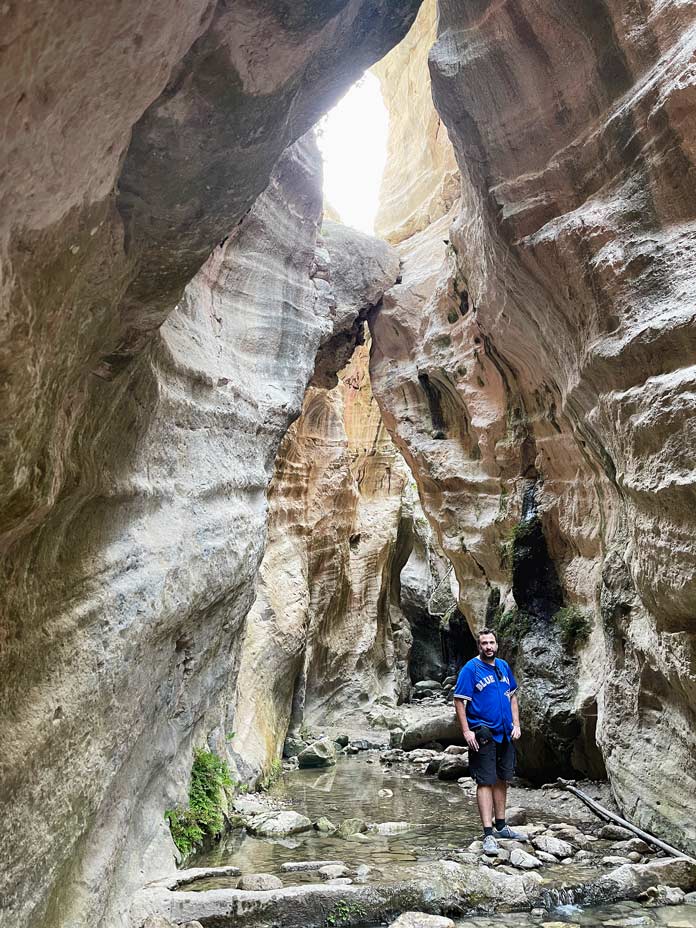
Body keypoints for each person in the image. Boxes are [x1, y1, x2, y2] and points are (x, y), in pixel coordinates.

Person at [453, 627, 527, 855]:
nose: (488, 647)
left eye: (492, 643)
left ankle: (502, 826)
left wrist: (516, 724)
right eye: (484, 643)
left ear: (497, 644)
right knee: (485, 781)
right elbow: (459, 700)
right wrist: (467, 732)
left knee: (502, 779)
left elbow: (512, 696)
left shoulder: (503, 666)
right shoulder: (471, 669)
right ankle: (488, 833)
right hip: (483, 733)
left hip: (505, 732)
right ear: (479, 646)